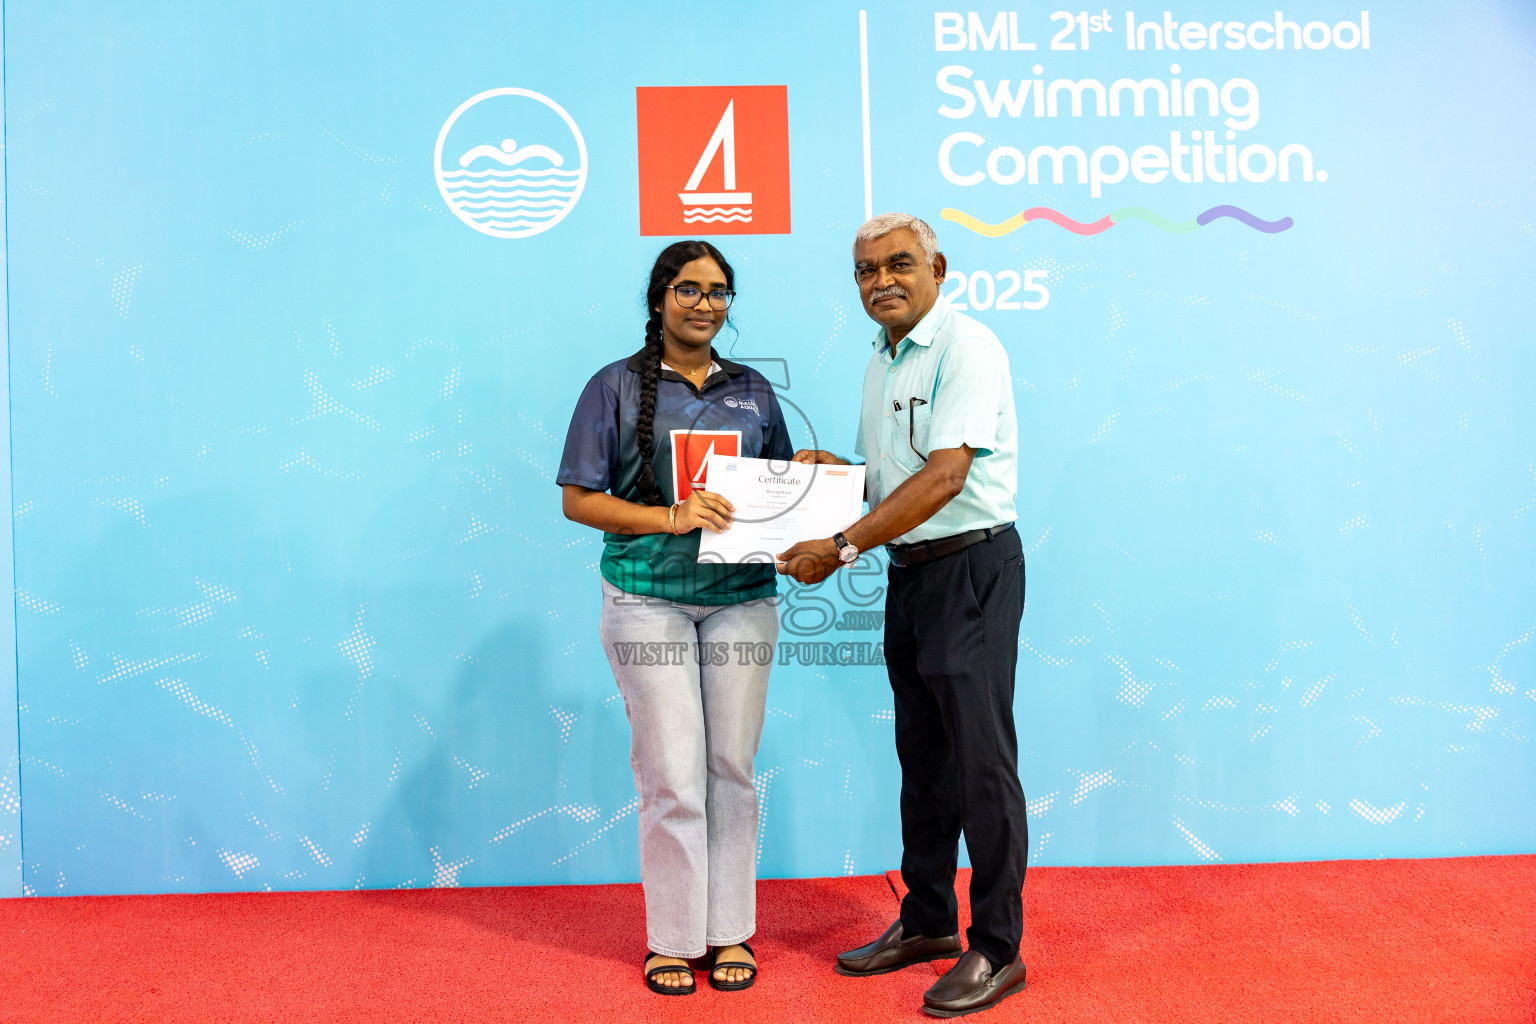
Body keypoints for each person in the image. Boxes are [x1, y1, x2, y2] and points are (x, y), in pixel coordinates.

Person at [777, 213, 1029, 1017]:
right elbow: (892, 483)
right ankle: (927, 922)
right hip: (912, 574)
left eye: (897, 265)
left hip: (971, 569)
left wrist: (841, 546)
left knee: (981, 764)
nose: (879, 281)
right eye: (863, 271)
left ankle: (997, 948)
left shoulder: (968, 349)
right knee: (922, 759)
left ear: (937, 267)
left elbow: (946, 477)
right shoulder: (880, 362)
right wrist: (833, 478)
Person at [557, 240, 792, 996]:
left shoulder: (754, 390)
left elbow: (778, 491)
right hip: (644, 599)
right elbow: (578, 499)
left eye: (718, 291)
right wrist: (671, 514)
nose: (704, 303)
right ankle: (673, 938)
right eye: (688, 289)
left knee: (731, 769)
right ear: (658, 299)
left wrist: (811, 490)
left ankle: (729, 932)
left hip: (742, 600)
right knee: (672, 775)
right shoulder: (612, 386)